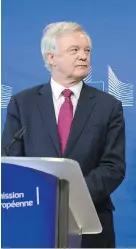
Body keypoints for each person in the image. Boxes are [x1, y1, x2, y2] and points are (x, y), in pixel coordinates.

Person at [1, 22, 126, 248]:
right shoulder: (23, 103)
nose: (83, 56)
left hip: (91, 224)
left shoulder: (109, 106)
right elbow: (11, 163)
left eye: (87, 51)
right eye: (74, 50)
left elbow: (113, 166)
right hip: (34, 221)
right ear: (51, 58)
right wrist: (44, 199)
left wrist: (68, 199)